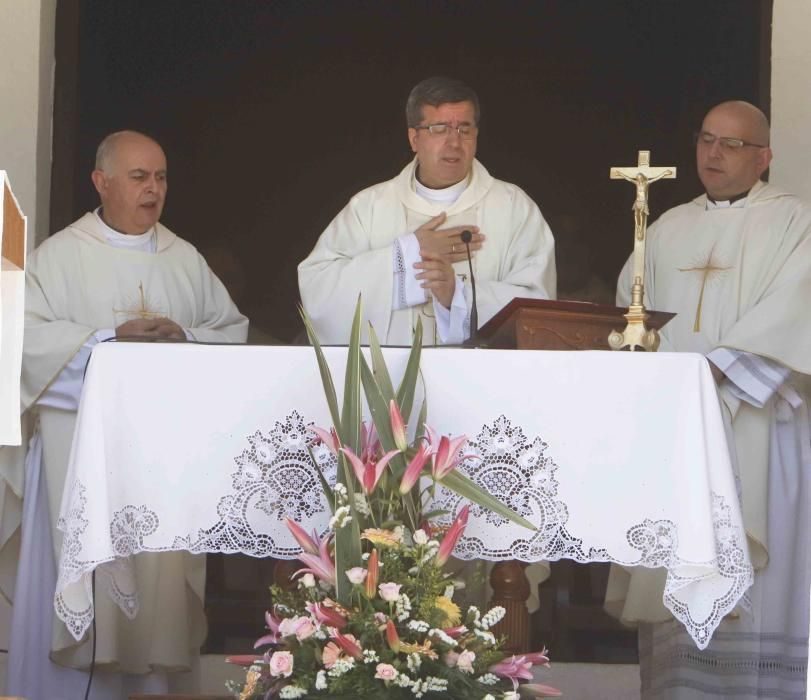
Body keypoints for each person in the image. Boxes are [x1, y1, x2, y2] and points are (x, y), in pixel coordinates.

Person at [1, 130, 249, 697]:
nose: (153, 189)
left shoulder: (184, 260)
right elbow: (17, 344)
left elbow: (233, 334)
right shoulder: (59, 256)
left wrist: (184, 335)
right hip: (78, 455)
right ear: (101, 182)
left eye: (160, 177)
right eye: (139, 177)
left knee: (155, 594)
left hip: (162, 460)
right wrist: (108, 338)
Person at [612, 101, 811, 698]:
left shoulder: (794, 222)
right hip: (680, 430)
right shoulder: (667, 227)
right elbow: (630, 309)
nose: (714, 153)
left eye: (732, 144)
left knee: (756, 578)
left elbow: (795, 308)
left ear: (764, 157)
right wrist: (661, 380)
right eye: (706, 140)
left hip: (754, 419)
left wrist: (713, 375)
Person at [298, 76, 556, 345]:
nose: (454, 142)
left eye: (464, 129)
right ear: (414, 138)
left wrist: (457, 294)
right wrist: (407, 255)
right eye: (439, 128)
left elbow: (538, 309)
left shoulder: (514, 208)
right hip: (389, 383)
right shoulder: (370, 207)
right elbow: (318, 288)